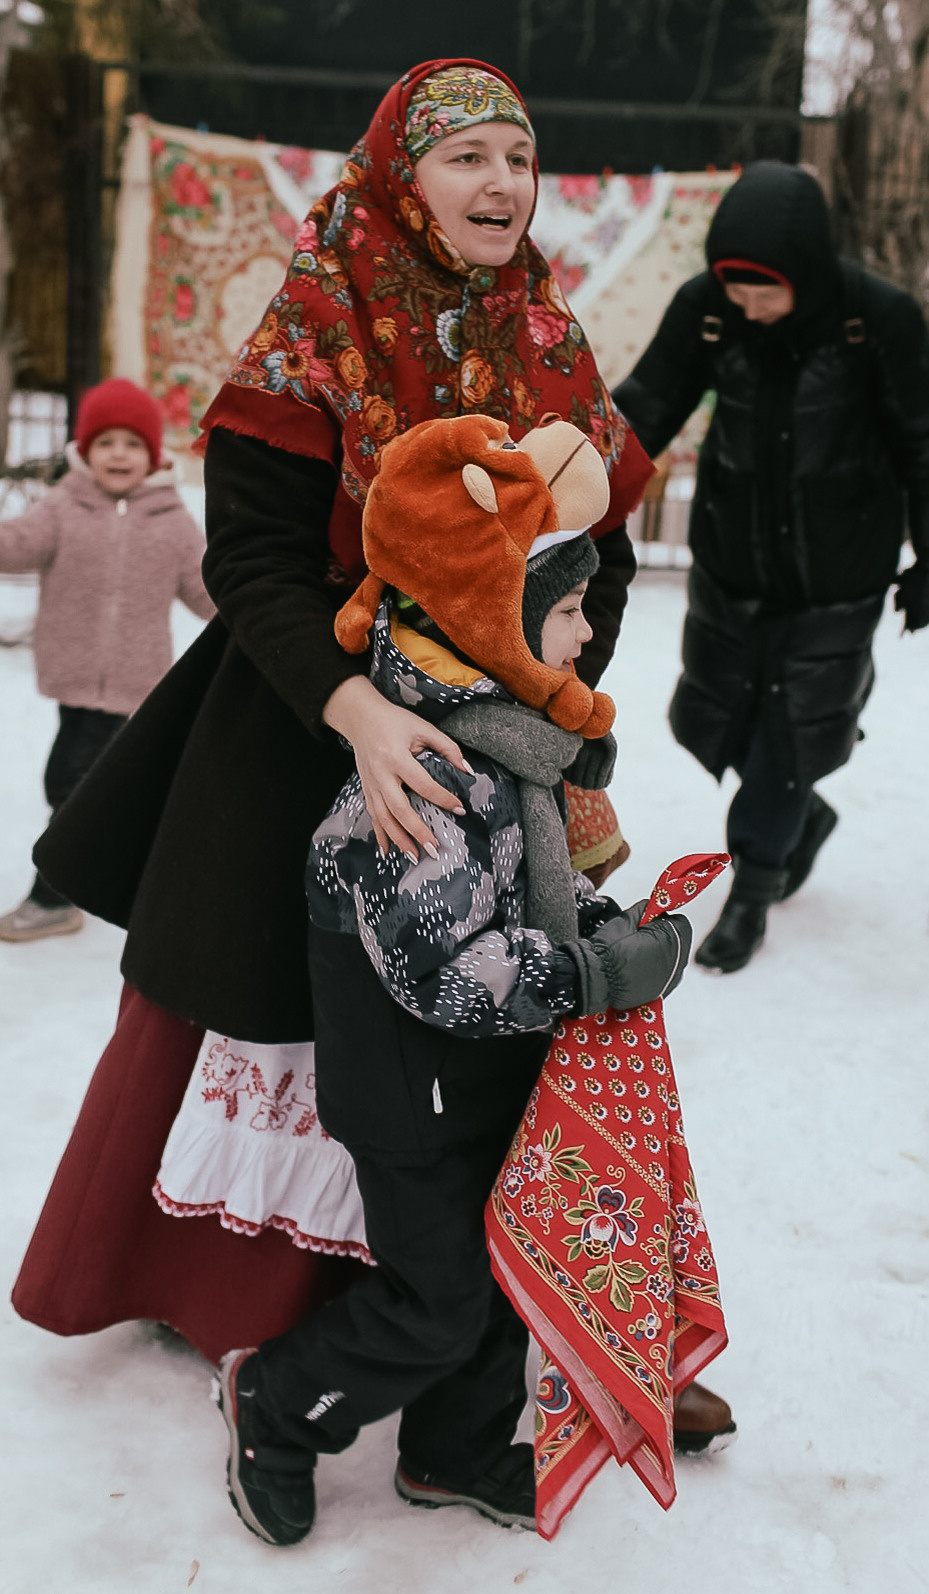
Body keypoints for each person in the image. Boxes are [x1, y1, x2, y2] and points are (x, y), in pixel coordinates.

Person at [12, 60, 652, 1371]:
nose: (498, 184)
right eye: (464, 155)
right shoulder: (323, 313)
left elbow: (604, 548)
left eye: (516, 160)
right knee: (285, 1009)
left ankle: (504, 1320)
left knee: (475, 1016)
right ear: (398, 174)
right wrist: (357, 708)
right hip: (304, 725)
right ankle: (252, 1308)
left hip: (486, 757)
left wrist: (546, 715)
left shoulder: (548, 338)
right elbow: (249, 553)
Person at [218, 410, 694, 1545]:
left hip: (483, 1086)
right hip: (413, 1105)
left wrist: (603, 921)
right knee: (438, 1307)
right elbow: (449, 970)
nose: (584, 635)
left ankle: (453, 1449)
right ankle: (276, 1405)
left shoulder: (504, 743)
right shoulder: (418, 783)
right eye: (568, 611)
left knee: (499, 1281)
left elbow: (521, 896)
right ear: (493, 619)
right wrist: (590, 973)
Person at [613, 161, 929, 972]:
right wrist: (572, 491)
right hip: (731, 561)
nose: (746, 305)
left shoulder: (874, 318)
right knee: (718, 716)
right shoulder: (709, 309)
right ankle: (799, 815)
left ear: (805, 270)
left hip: (838, 572)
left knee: (788, 730)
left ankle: (752, 888)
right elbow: (645, 406)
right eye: (733, 287)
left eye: (763, 290)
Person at [0, 378, 212, 942]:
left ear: (153, 453)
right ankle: (116, 881)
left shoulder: (171, 521)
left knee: (75, 789)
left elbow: (205, 590)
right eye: (106, 442)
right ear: (85, 450)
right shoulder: (63, 506)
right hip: (74, 681)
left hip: (133, 684)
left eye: (132, 443)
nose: (119, 454)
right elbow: (15, 544)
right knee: (76, 783)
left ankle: (56, 897)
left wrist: (261, 610)